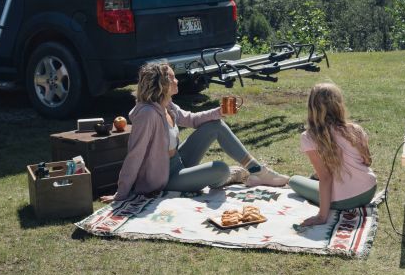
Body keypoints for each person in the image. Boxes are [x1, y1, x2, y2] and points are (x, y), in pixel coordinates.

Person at [101, 61, 289, 203]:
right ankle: (232, 174)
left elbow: (191, 119)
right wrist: (121, 193)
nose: (176, 80)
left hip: (179, 161)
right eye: (172, 78)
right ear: (162, 84)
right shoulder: (148, 114)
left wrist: (219, 112)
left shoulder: (167, 104)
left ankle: (257, 171)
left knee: (216, 125)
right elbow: (135, 154)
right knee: (220, 169)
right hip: (164, 178)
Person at [289, 83, 377, 227]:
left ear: (312, 107)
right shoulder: (355, 129)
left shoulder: (309, 137)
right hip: (369, 190)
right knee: (317, 177)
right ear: (339, 104)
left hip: (343, 200)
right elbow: (367, 161)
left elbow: (326, 178)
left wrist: (322, 216)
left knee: (294, 180)